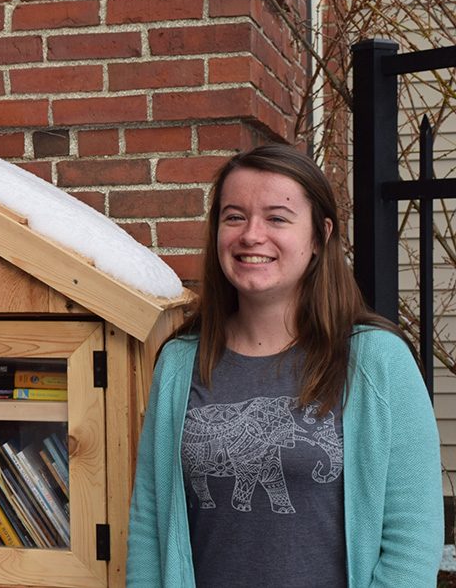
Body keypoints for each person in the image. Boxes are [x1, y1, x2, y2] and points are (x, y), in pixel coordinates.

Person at [127, 144, 442, 587]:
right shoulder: (179, 364)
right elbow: (150, 523)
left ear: (319, 236)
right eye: (234, 216)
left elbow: (413, 539)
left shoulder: (377, 361)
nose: (252, 235)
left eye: (277, 218)